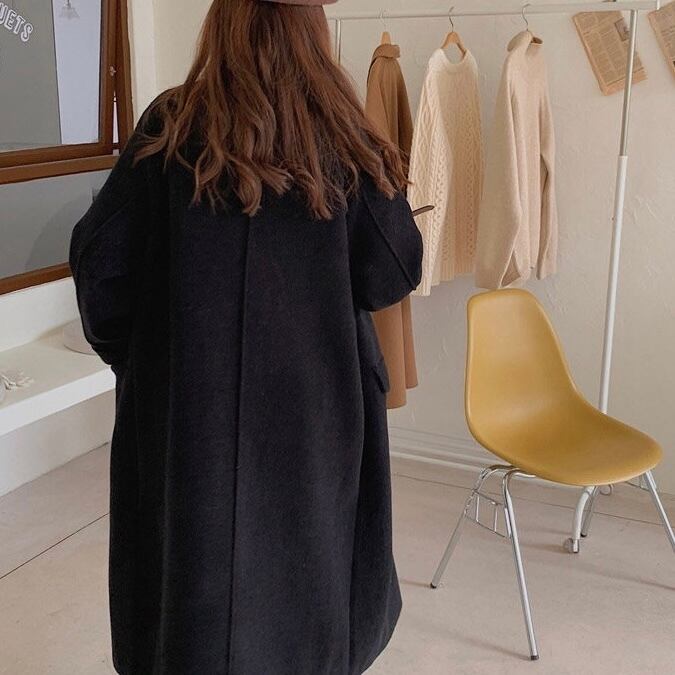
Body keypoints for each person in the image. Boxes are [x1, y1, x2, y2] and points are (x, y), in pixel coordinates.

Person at [69, 0, 422, 673]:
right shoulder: (341, 135)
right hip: (314, 425)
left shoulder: (170, 128)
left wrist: (154, 362)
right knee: (311, 601)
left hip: (189, 428)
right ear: (312, 29)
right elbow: (393, 269)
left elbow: (99, 267)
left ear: (222, 22)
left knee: (188, 600)